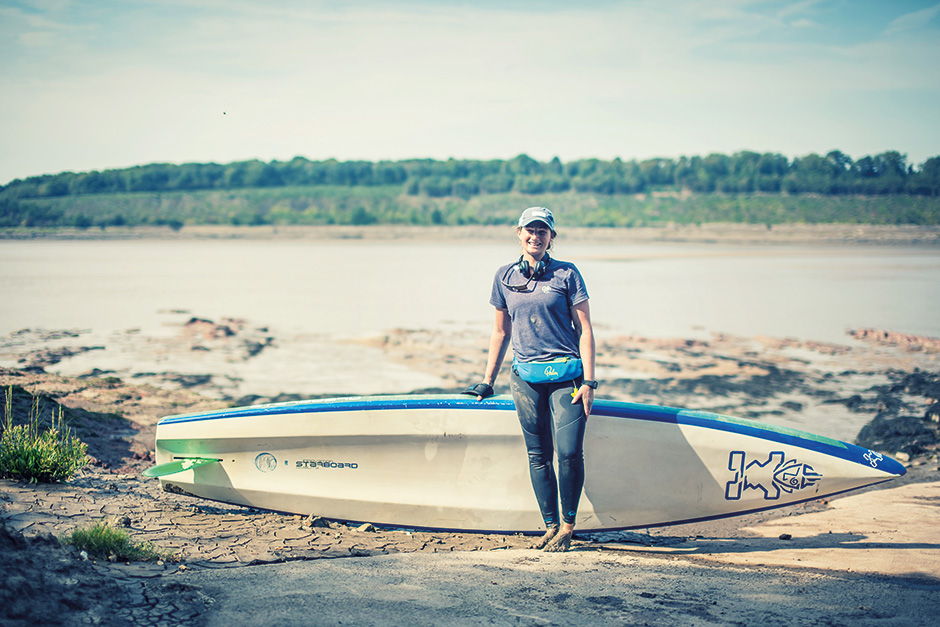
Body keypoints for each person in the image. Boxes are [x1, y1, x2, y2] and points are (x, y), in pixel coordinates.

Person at [464, 206, 597, 552]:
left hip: (567, 375)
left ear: (552, 237)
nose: (535, 236)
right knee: (538, 454)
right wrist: (487, 380)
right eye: (530, 230)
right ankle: (551, 526)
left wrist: (590, 382)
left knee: (568, 453)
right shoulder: (504, 276)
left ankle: (569, 525)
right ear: (518, 232)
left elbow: (585, 330)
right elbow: (499, 332)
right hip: (525, 377)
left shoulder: (567, 274)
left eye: (543, 231)